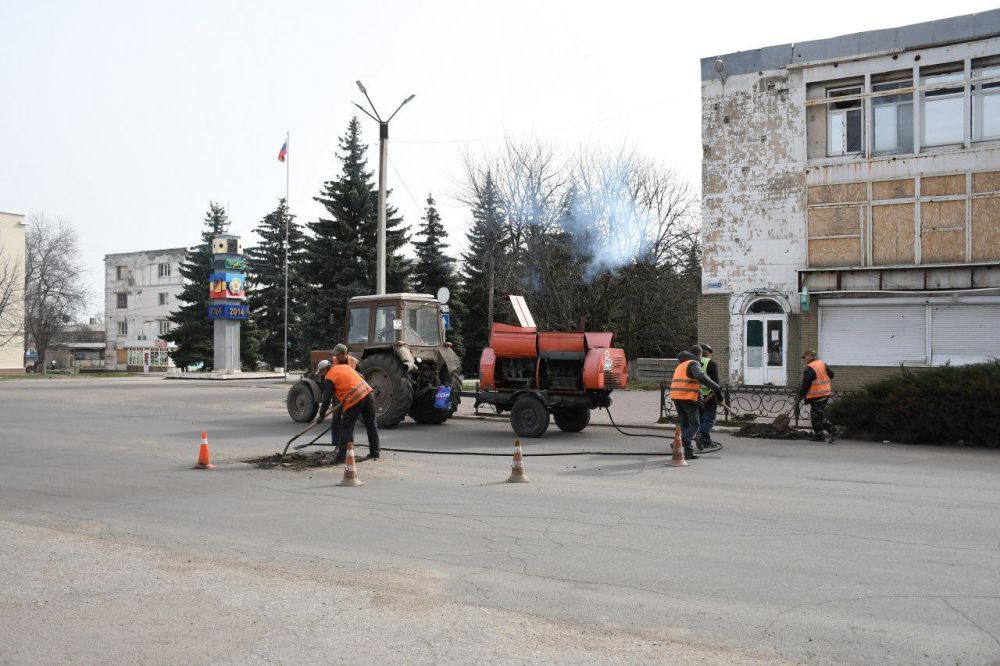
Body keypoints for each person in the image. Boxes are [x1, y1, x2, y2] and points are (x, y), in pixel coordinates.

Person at [318, 361, 381, 463]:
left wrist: (321, 415)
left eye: (321, 372)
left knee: (346, 428)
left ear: (325, 369)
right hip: (367, 393)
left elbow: (326, 400)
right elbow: (361, 376)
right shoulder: (344, 367)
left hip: (354, 398)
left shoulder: (329, 377)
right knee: (371, 424)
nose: (321, 375)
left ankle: (341, 457)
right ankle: (375, 452)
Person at [670, 345, 723, 460]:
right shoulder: (693, 363)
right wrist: (716, 387)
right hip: (686, 397)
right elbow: (700, 376)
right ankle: (679, 442)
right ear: (699, 354)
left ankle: (689, 453)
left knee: (685, 424)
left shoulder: (681, 364)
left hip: (676, 396)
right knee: (695, 424)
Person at [797, 350, 840, 443]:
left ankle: (834, 431)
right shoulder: (822, 363)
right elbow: (831, 375)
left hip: (817, 395)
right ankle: (819, 436)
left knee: (818, 416)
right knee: (815, 416)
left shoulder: (809, 368)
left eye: (805, 357)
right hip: (825, 393)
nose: (804, 359)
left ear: (809, 356)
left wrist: (800, 395)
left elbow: (805, 385)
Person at [696, 344, 721, 451]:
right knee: (710, 420)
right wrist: (718, 397)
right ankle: (700, 435)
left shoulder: (694, 364)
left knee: (702, 420)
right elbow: (715, 384)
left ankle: (707, 442)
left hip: (697, 396)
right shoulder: (711, 364)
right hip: (709, 397)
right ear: (709, 353)